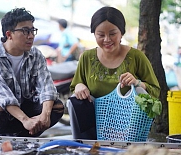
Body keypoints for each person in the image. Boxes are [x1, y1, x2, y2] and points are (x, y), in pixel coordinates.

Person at [67, 6, 161, 140]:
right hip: (94, 122)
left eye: (112, 34)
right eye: (101, 35)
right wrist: (79, 86)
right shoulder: (86, 57)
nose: (107, 39)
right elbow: (75, 87)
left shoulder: (136, 56)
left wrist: (137, 82)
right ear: (94, 34)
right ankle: (84, 145)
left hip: (128, 125)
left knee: (141, 91)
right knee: (74, 101)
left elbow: (155, 91)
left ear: (121, 33)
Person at [0, 8, 64, 137]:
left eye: (32, 30)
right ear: (9, 34)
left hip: (23, 107)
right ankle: (9, 131)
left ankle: (28, 132)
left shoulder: (36, 55)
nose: (31, 36)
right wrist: (25, 120)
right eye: (25, 31)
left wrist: (45, 115)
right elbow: (1, 94)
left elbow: (47, 86)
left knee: (57, 107)